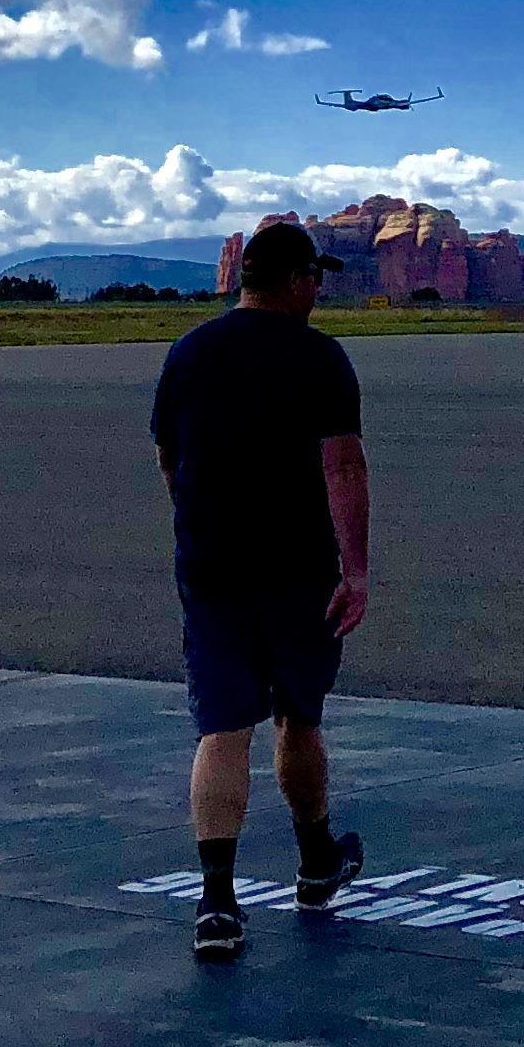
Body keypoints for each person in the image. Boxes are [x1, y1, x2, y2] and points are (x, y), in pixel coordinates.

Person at [149, 218, 373, 964]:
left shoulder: (188, 351)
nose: (318, 292)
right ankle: (314, 859)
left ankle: (217, 901)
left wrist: (199, 526)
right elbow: (343, 466)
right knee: (297, 716)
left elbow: (170, 458)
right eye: (314, 280)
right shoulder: (319, 357)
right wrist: (356, 568)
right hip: (297, 569)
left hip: (211, 568)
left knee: (222, 728)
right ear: (295, 281)